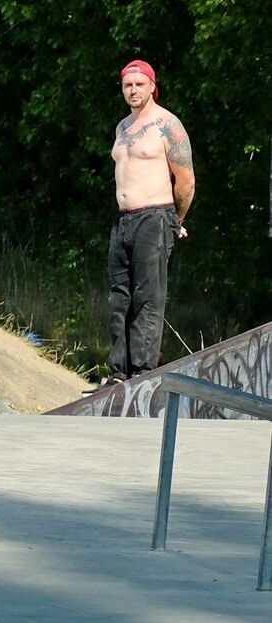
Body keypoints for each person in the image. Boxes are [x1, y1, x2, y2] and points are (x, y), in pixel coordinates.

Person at [95, 59, 195, 391]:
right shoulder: (122, 127)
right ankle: (118, 373)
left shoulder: (167, 124)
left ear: (152, 86)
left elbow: (185, 181)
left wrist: (175, 219)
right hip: (123, 219)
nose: (133, 90)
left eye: (139, 84)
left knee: (148, 296)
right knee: (119, 297)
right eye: (127, 85)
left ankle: (142, 373)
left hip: (155, 216)